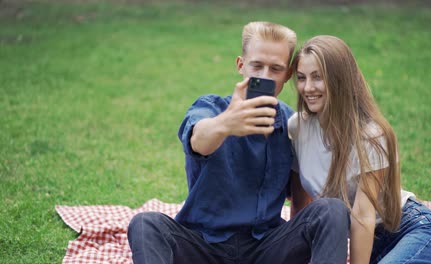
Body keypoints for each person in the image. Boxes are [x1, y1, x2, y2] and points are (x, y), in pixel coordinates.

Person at [127, 22, 350, 264]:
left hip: (266, 248)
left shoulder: (292, 124)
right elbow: (198, 140)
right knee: (145, 223)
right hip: (203, 246)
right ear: (241, 65)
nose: (265, 76)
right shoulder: (210, 108)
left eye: (275, 68)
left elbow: (300, 200)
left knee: (331, 209)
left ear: (287, 75)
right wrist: (226, 124)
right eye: (257, 65)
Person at [288, 35, 431, 264]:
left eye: (317, 78)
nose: (307, 88)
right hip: (371, 245)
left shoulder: (371, 134)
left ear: (339, 79)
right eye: (301, 78)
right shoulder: (297, 127)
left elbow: (363, 214)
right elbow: (301, 206)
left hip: (417, 232)